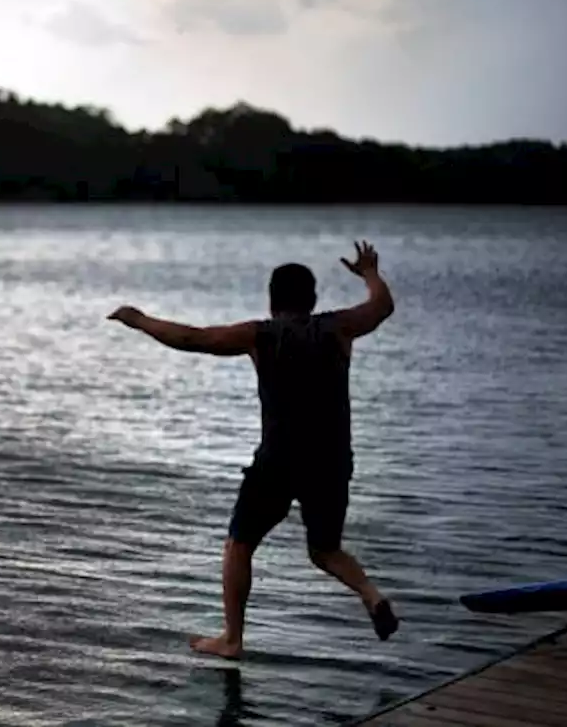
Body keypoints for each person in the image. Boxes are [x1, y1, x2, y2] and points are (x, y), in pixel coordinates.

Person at [107, 240, 399, 659]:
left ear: (271, 299)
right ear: (312, 298)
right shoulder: (339, 328)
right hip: (332, 460)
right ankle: (371, 594)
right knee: (325, 549)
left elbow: (193, 338)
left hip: (278, 461)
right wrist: (369, 273)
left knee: (240, 544)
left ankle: (232, 638)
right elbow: (382, 306)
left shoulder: (259, 335)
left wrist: (138, 320)